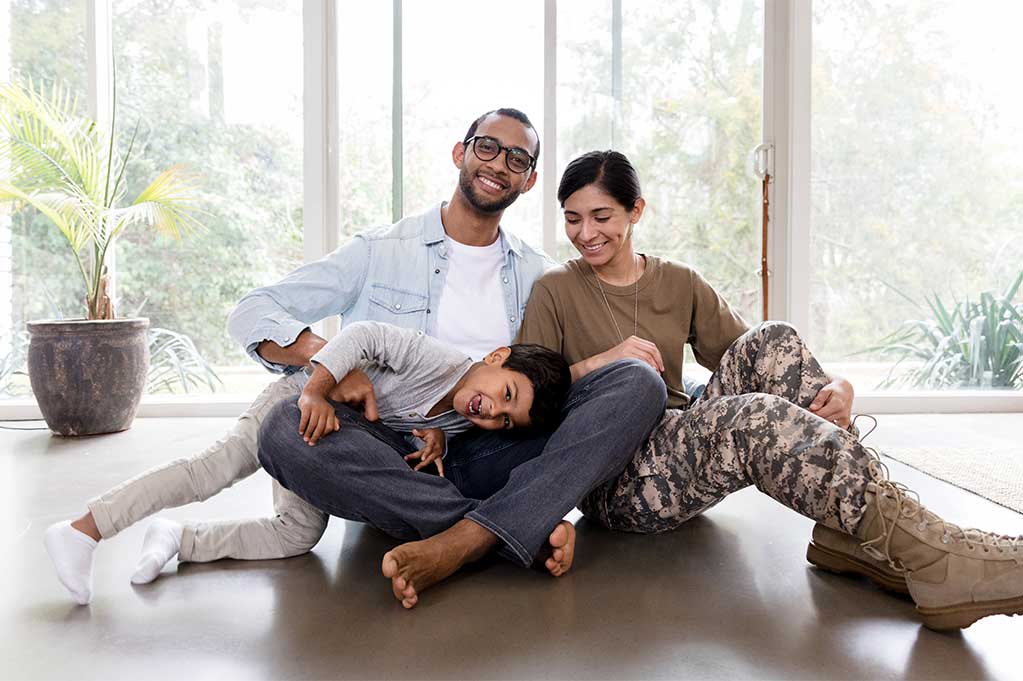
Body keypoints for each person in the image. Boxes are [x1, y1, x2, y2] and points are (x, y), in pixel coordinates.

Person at [515, 149, 1023, 631]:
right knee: (751, 418)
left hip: (678, 442)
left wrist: (839, 385)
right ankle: (935, 555)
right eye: (572, 218)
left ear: (636, 210)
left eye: (601, 216)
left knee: (773, 335)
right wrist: (602, 363)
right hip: (616, 478)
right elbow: (527, 401)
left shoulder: (678, 281)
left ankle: (849, 534)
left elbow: (763, 358)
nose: (585, 233)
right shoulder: (555, 289)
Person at [234, 109, 667, 610]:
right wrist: (326, 358)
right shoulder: (380, 249)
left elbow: (542, 391)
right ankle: (494, 527)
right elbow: (254, 311)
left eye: (517, 159)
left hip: (492, 453)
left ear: (527, 181)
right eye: (487, 147)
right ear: (461, 153)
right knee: (283, 429)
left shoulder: (540, 276)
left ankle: (463, 541)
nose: (499, 164)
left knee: (637, 383)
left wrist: (606, 361)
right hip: (394, 458)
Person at [43, 319, 570, 606]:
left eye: (505, 420)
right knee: (213, 470)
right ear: (497, 357)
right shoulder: (436, 358)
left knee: (296, 535)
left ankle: (180, 539)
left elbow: (416, 416)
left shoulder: (464, 412)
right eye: (504, 393)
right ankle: (84, 528)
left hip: (324, 440)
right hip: (294, 403)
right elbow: (363, 335)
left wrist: (435, 436)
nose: (492, 411)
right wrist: (318, 390)